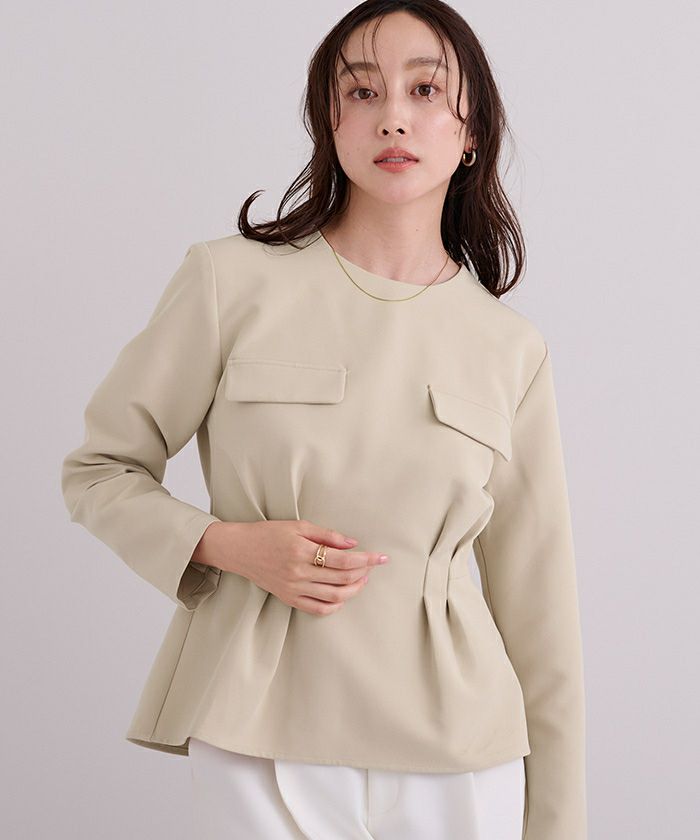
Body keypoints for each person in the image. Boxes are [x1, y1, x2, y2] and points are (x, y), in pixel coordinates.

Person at [60, 1, 587, 838]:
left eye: (425, 90)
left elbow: (541, 614)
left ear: (473, 129)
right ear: (330, 123)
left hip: (463, 753)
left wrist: (557, 823)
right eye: (362, 92)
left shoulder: (509, 347)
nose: (393, 118)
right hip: (257, 727)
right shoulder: (230, 282)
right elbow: (99, 471)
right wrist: (228, 546)